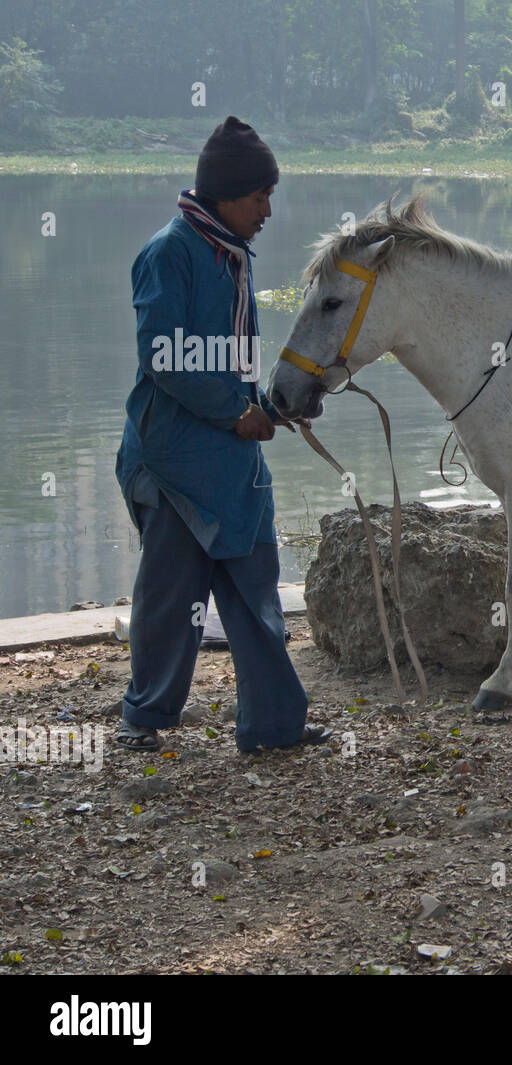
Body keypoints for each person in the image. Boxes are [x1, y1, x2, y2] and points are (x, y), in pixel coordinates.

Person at [114, 115, 329, 754]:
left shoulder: (229, 254)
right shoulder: (170, 252)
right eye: (258, 196)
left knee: (255, 593)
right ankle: (145, 720)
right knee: (169, 602)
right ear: (225, 196)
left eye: (269, 196)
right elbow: (165, 356)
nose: (268, 209)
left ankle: (273, 728)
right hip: (174, 459)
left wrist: (270, 403)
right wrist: (238, 416)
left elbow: (226, 366)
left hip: (231, 462)